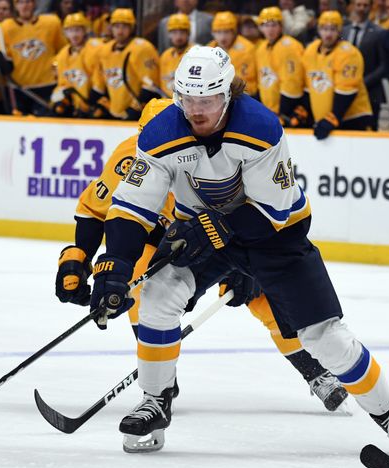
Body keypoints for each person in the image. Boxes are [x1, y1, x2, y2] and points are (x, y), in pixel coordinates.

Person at [91, 45, 389, 454]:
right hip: (205, 229)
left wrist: (206, 233)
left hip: (277, 235)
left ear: (227, 94)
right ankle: (155, 399)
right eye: (188, 100)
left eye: (208, 100)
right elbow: (132, 206)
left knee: (325, 338)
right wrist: (115, 266)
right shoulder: (161, 133)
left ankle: (388, 412)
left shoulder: (259, 127)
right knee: (157, 295)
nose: (197, 111)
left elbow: (271, 211)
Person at [57, 97, 349, 412]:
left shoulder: (221, 151)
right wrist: (77, 256)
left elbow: (256, 212)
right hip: (167, 240)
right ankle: (160, 376)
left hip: (224, 232)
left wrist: (246, 265)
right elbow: (94, 208)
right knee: (144, 284)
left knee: (266, 298)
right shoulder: (134, 158)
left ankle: (315, 372)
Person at [302, 10, 372, 139]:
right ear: (319, 30)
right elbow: (309, 86)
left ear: (339, 31)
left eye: (333, 29)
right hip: (327, 120)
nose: (328, 34)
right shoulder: (311, 51)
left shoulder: (348, 53)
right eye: (325, 29)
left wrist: (332, 117)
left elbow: (347, 91)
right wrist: (303, 110)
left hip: (353, 120)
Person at [0, 0, 65, 115]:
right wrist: (2, 62)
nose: (25, 6)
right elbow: (5, 55)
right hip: (18, 88)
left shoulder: (51, 23)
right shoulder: (6, 27)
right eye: (20, 2)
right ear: (15, 6)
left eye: (28, 2)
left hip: (47, 85)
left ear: (34, 4)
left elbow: (63, 51)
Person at [90, 8, 160, 121]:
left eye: (124, 26)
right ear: (111, 28)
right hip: (113, 113)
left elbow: (151, 85)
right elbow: (99, 84)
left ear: (132, 28)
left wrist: (136, 108)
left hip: (139, 115)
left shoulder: (143, 48)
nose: (120, 31)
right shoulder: (104, 50)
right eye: (116, 26)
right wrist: (98, 104)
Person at [343, 0, 389, 131]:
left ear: (371, 7)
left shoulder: (380, 32)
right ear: (353, 6)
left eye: (365, 5)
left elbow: (384, 65)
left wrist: (363, 82)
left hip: (370, 91)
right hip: (345, 91)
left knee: (369, 130)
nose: (361, 8)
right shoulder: (344, 31)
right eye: (359, 5)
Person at [254, 7, 308, 127]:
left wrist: (283, 113)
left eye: (274, 25)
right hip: (270, 111)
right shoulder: (261, 48)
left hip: (286, 111)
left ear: (281, 26)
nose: (270, 29)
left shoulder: (290, 47)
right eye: (266, 25)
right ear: (260, 27)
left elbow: (292, 83)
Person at [51, 12, 103, 118]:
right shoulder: (62, 55)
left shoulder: (95, 49)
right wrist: (63, 101)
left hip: (94, 104)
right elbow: (63, 84)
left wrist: (91, 101)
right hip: (75, 107)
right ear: (65, 33)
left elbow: (99, 83)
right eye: (70, 31)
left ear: (85, 31)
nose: (74, 35)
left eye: (77, 30)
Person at [208, 11, 257, 96]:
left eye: (226, 32)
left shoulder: (248, 48)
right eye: (218, 32)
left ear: (234, 32)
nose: (223, 37)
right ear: (213, 33)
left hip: (244, 96)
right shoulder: (208, 49)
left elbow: (251, 81)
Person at [158, 13, 193, 97]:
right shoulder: (165, 55)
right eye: (174, 32)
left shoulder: (195, 53)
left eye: (182, 32)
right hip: (165, 104)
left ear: (188, 34)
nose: (178, 37)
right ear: (169, 34)